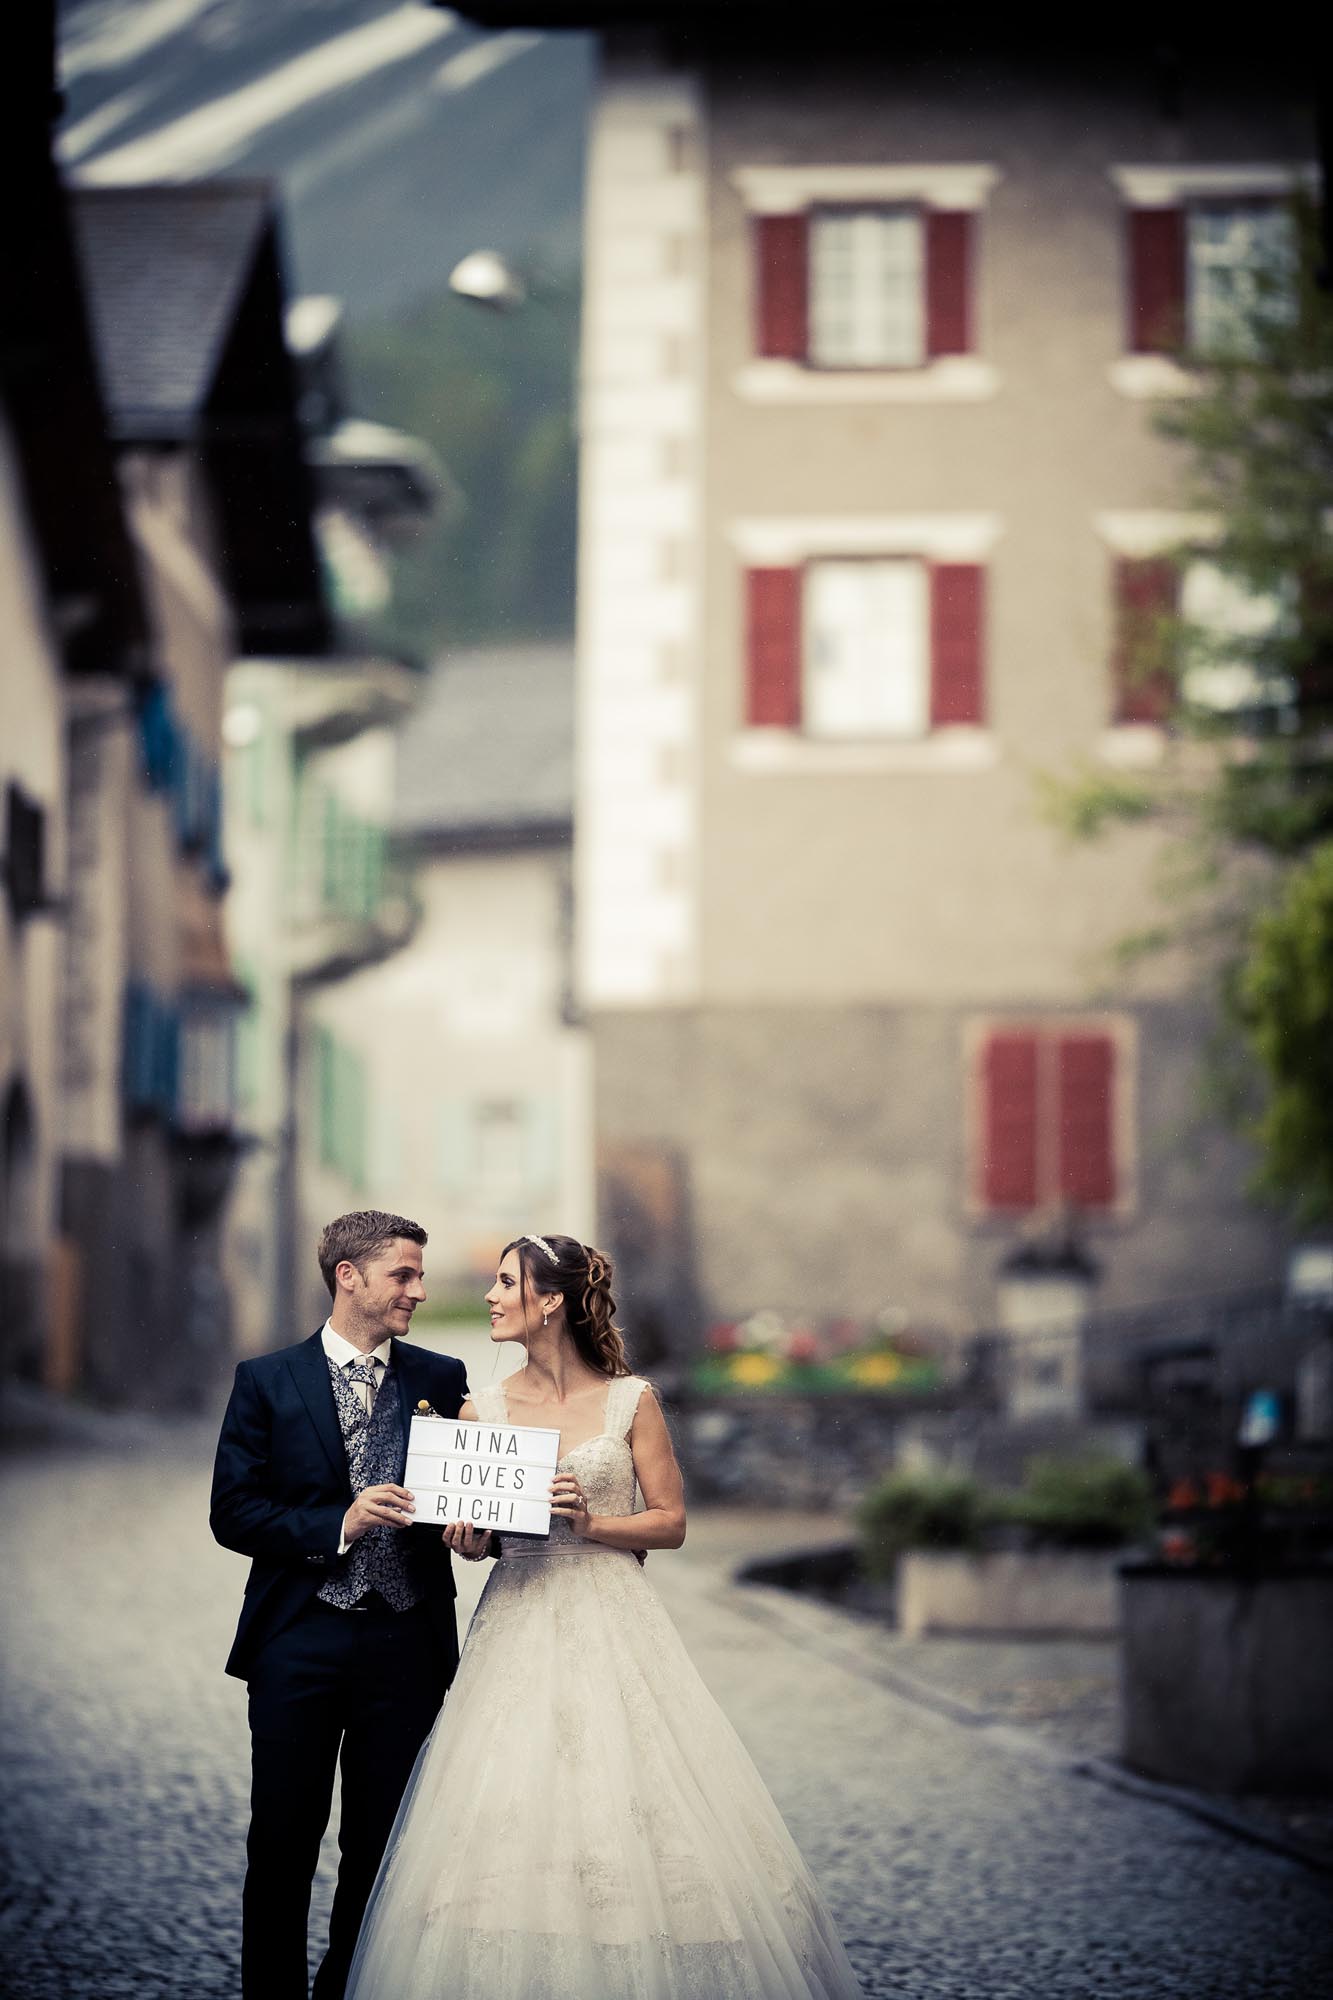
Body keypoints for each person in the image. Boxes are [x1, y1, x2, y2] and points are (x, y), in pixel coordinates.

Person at [345, 1232, 864, 2000]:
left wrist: (593, 1524)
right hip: (517, 1618)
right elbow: (482, 1531)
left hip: (611, 1614)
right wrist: (471, 1539)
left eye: (505, 1282)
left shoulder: (631, 1401)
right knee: (509, 1802)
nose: (489, 1296)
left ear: (550, 1300)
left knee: (634, 1795)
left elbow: (670, 1523)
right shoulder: (480, 1408)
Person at [211, 1209, 484, 2000]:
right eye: (404, 1274)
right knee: (282, 1842)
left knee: (380, 1847)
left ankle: (345, 1990)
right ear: (348, 1276)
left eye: (419, 1276)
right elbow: (234, 1513)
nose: (419, 1291)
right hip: (297, 1640)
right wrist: (340, 1522)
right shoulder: (265, 1380)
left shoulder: (441, 1378)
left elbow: (470, 1501)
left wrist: (476, 1535)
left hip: (406, 1644)